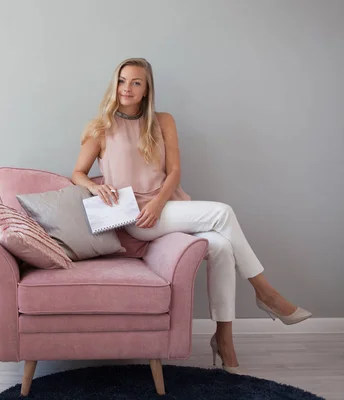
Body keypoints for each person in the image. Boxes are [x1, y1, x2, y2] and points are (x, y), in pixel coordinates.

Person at [71, 57, 312, 374]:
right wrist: (93, 186)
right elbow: (77, 172)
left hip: (165, 208)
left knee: (223, 248)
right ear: (114, 84)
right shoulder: (100, 128)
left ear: (146, 90)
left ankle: (224, 339)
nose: (126, 88)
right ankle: (266, 293)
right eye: (122, 80)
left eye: (135, 82)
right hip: (136, 219)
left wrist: (158, 202)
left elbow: (174, 172)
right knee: (222, 213)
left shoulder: (163, 121)